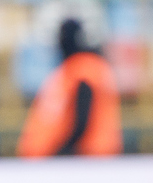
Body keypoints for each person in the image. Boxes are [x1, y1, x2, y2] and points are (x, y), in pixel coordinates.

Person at [16, 17, 122, 158]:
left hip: (86, 157)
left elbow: (83, 117)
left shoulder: (84, 68)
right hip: (83, 157)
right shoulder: (81, 67)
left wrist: (63, 150)